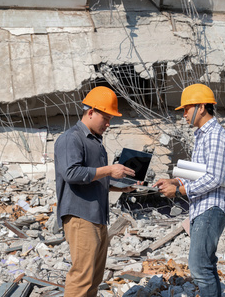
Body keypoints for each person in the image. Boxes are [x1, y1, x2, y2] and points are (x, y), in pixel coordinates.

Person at [154, 83, 225, 297]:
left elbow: (214, 177)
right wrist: (174, 181)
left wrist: (180, 191)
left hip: (212, 205)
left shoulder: (214, 136)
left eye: (187, 109)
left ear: (201, 107)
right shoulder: (202, 135)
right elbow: (200, 173)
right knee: (205, 263)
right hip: (203, 205)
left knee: (199, 266)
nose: (184, 114)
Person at [54, 86, 136, 297]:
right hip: (81, 216)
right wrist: (110, 169)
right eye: (106, 118)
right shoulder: (71, 139)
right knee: (82, 277)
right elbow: (71, 173)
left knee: (94, 278)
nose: (108, 124)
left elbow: (92, 177)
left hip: (97, 217)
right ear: (90, 112)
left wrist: (117, 185)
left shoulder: (95, 143)